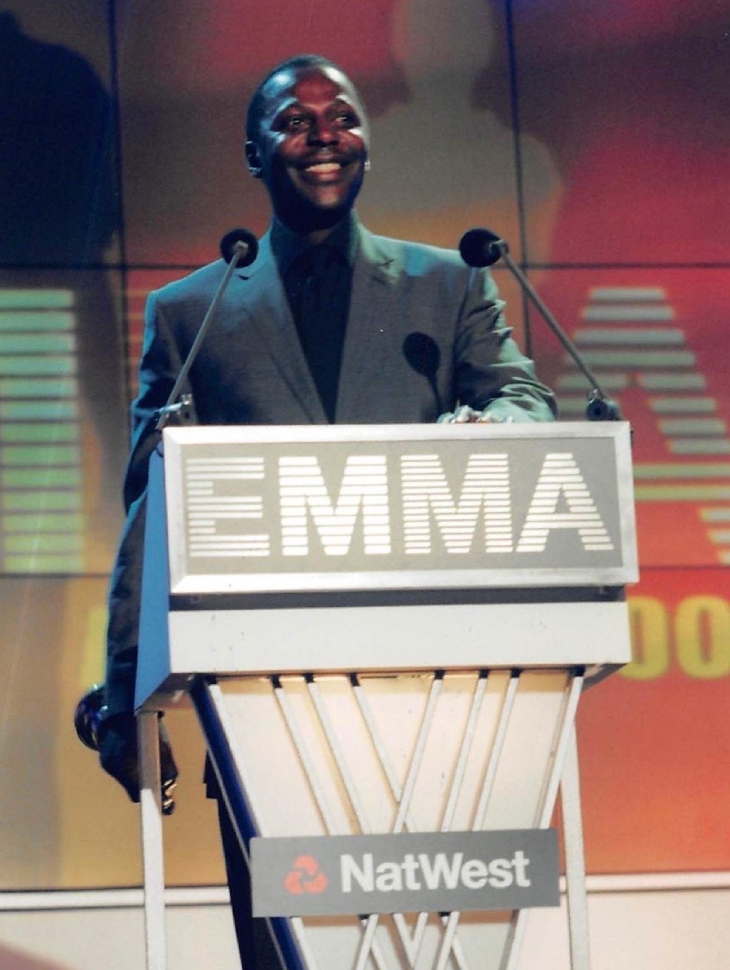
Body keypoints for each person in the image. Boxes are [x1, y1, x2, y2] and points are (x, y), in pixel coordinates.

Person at [91, 53, 556, 969]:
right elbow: (153, 499)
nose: (323, 137)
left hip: (438, 696)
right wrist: (122, 701)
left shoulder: (450, 283)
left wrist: (485, 429)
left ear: (367, 140)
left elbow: (522, 399)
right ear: (254, 155)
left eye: (340, 116)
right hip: (262, 709)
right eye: (294, 122)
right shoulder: (192, 312)